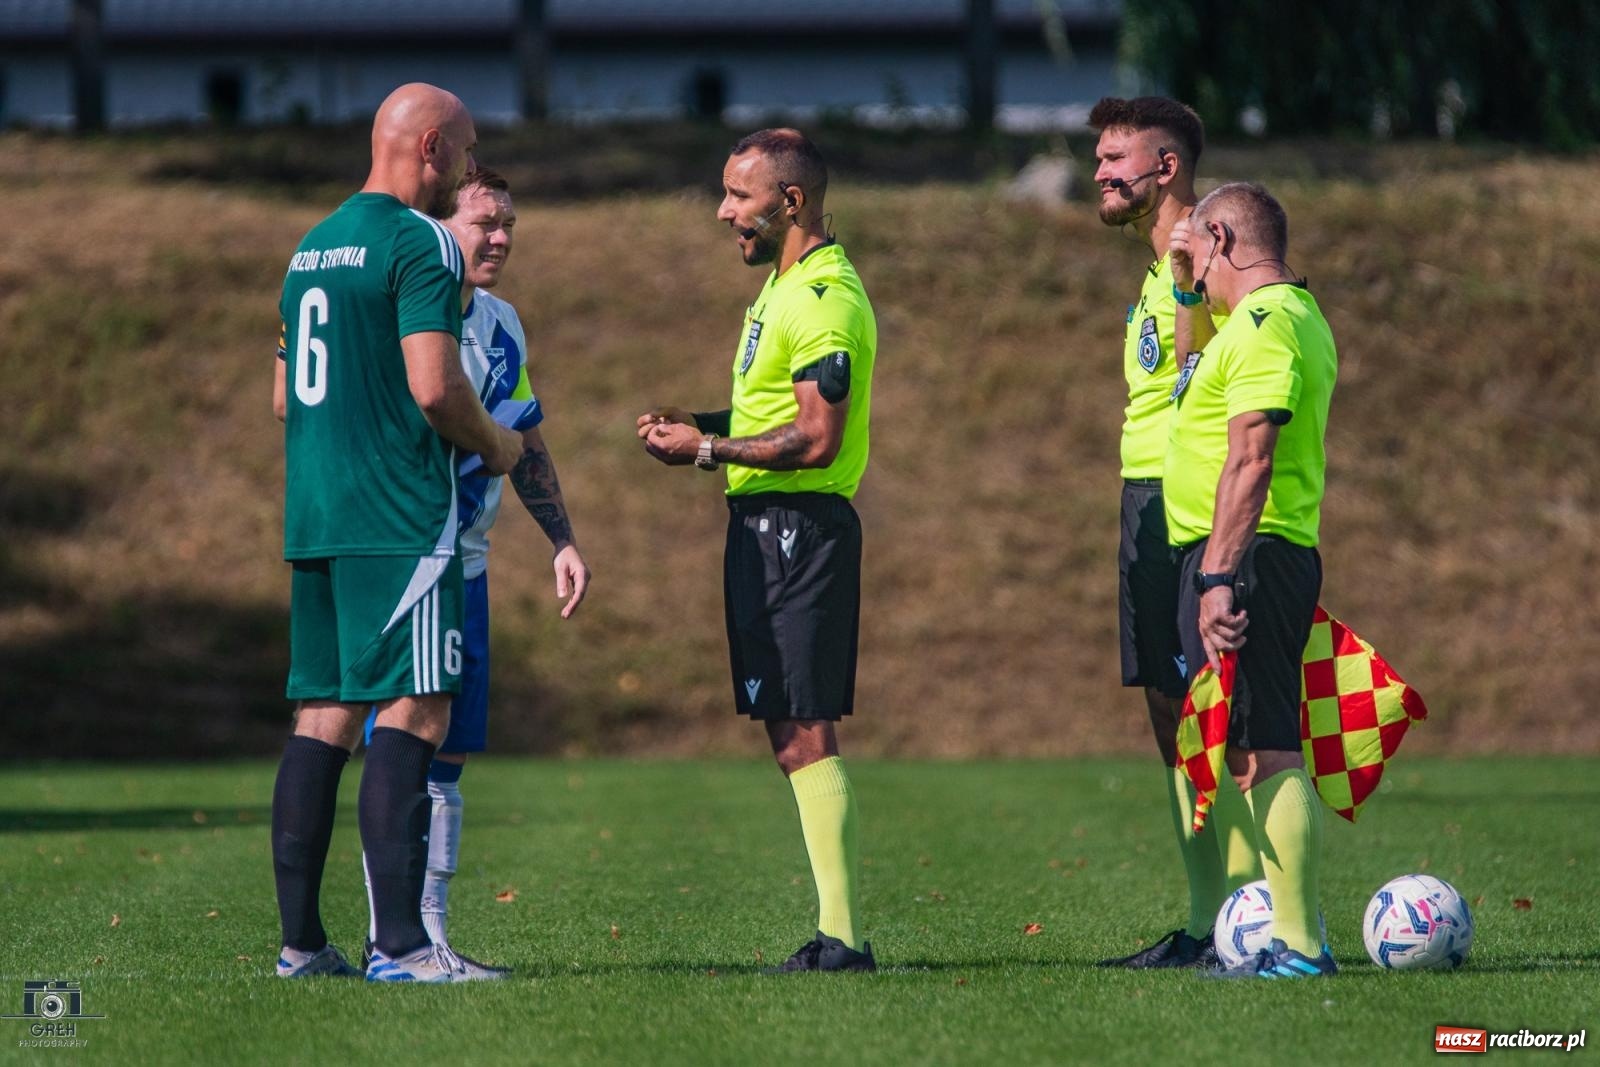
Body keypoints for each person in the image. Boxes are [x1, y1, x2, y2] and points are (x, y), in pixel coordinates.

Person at [271, 83, 525, 983]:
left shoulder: (311, 246)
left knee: (325, 714)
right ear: (430, 148)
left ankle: (302, 946)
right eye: (465, 147)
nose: (468, 162)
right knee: (417, 706)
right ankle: (405, 948)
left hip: (316, 514)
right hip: (399, 516)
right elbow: (435, 387)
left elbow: (283, 397)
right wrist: (495, 443)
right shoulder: (421, 241)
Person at [636, 129, 878, 973]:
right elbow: (773, 411)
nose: (723, 211)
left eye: (740, 196)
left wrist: (704, 451)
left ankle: (844, 939)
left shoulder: (823, 298)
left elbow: (816, 437)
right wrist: (700, 424)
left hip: (799, 529)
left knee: (806, 727)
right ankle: (838, 934)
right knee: (788, 729)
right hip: (765, 528)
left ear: (791, 201)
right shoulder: (781, 289)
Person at [358, 167, 592, 978]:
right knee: (399, 744)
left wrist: (561, 538)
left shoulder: (501, 322)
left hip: (471, 563)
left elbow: (525, 437)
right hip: (403, 559)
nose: (499, 238)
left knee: (449, 757)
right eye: (484, 221)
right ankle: (392, 941)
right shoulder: (398, 311)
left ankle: (427, 935)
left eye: (509, 225)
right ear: (438, 228)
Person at [1088, 97, 1262, 970]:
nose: (1098, 173)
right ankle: (1205, 922)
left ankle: (1260, 916)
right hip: (1145, 502)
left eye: (1115, 158)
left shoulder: (1211, 253)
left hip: (1192, 506)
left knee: (1223, 713)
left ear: (1165, 168)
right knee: (1169, 709)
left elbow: (1231, 372)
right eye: (1097, 158)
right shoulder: (1160, 270)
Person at [1165, 182, 1339, 978]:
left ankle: (1300, 945)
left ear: (1225, 239)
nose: (1194, 268)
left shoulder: (1269, 322)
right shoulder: (1262, 321)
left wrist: (1218, 574)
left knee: (1266, 747)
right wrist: (1183, 289)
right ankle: (1292, 937)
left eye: (1197, 248)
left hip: (1248, 556)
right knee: (1247, 747)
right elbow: (1192, 372)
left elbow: (1252, 458)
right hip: (1244, 553)